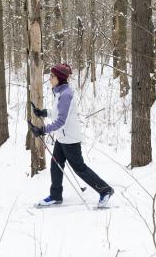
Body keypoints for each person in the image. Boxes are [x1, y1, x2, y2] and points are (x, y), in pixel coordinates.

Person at [27, 63, 114, 208]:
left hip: (70, 139)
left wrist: (42, 130)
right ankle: (55, 196)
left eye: (52, 76)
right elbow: (58, 112)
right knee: (56, 166)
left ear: (59, 78)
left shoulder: (65, 94)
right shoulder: (60, 92)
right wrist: (43, 112)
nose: (50, 79)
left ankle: (105, 190)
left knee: (80, 168)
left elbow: (61, 120)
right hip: (62, 138)